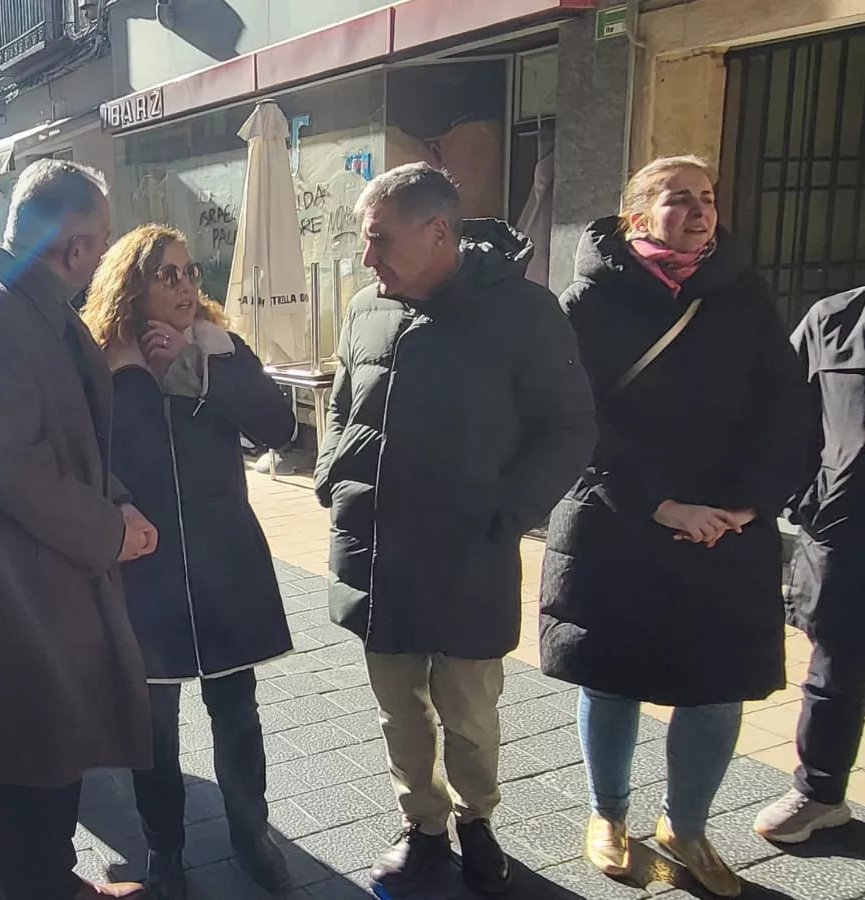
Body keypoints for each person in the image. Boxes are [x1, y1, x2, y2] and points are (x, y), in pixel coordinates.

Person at [314, 162, 596, 895]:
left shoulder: (525, 312)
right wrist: (331, 474)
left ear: (438, 232)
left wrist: (507, 513)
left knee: (469, 713)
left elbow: (569, 428)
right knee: (398, 710)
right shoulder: (364, 308)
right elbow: (340, 402)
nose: (366, 257)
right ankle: (423, 825)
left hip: (470, 555)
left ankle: (478, 820)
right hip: (377, 551)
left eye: (378, 240)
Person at [539, 155, 810, 896]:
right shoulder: (588, 299)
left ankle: (684, 827)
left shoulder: (744, 295)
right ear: (636, 217)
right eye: (678, 199)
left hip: (726, 526)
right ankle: (608, 815)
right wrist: (661, 503)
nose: (699, 211)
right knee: (613, 678)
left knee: (716, 689)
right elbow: (575, 420)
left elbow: (785, 408)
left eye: (708, 199)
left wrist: (750, 504)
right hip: (618, 519)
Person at [0, 159, 157, 900]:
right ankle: (35, 885)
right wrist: (109, 531)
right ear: (76, 246)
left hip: (43, 579)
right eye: (102, 243)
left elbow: (71, 437)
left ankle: (51, 878)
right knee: (25, 760)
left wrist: (118, 503)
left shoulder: (28, 303)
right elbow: (16, 470)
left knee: (51, 751)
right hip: (15, 588)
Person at [84, 224, 298, 900]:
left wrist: (199, 370)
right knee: (153, 729)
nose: (183, 287)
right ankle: (164, 848)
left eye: (189, 273)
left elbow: (280, 428)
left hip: (224, 566)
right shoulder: (103, 362)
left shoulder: (218, 348)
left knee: (237, 713)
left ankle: (251, 834)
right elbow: (87, 456)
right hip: (145, 571)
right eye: (166, 274)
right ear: (132, 285)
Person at [753, 284, 865, 843]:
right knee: (835, 670)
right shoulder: (835, 319)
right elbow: (783, 416)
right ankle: (820, 792)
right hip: (848, 532)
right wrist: (807, 498)